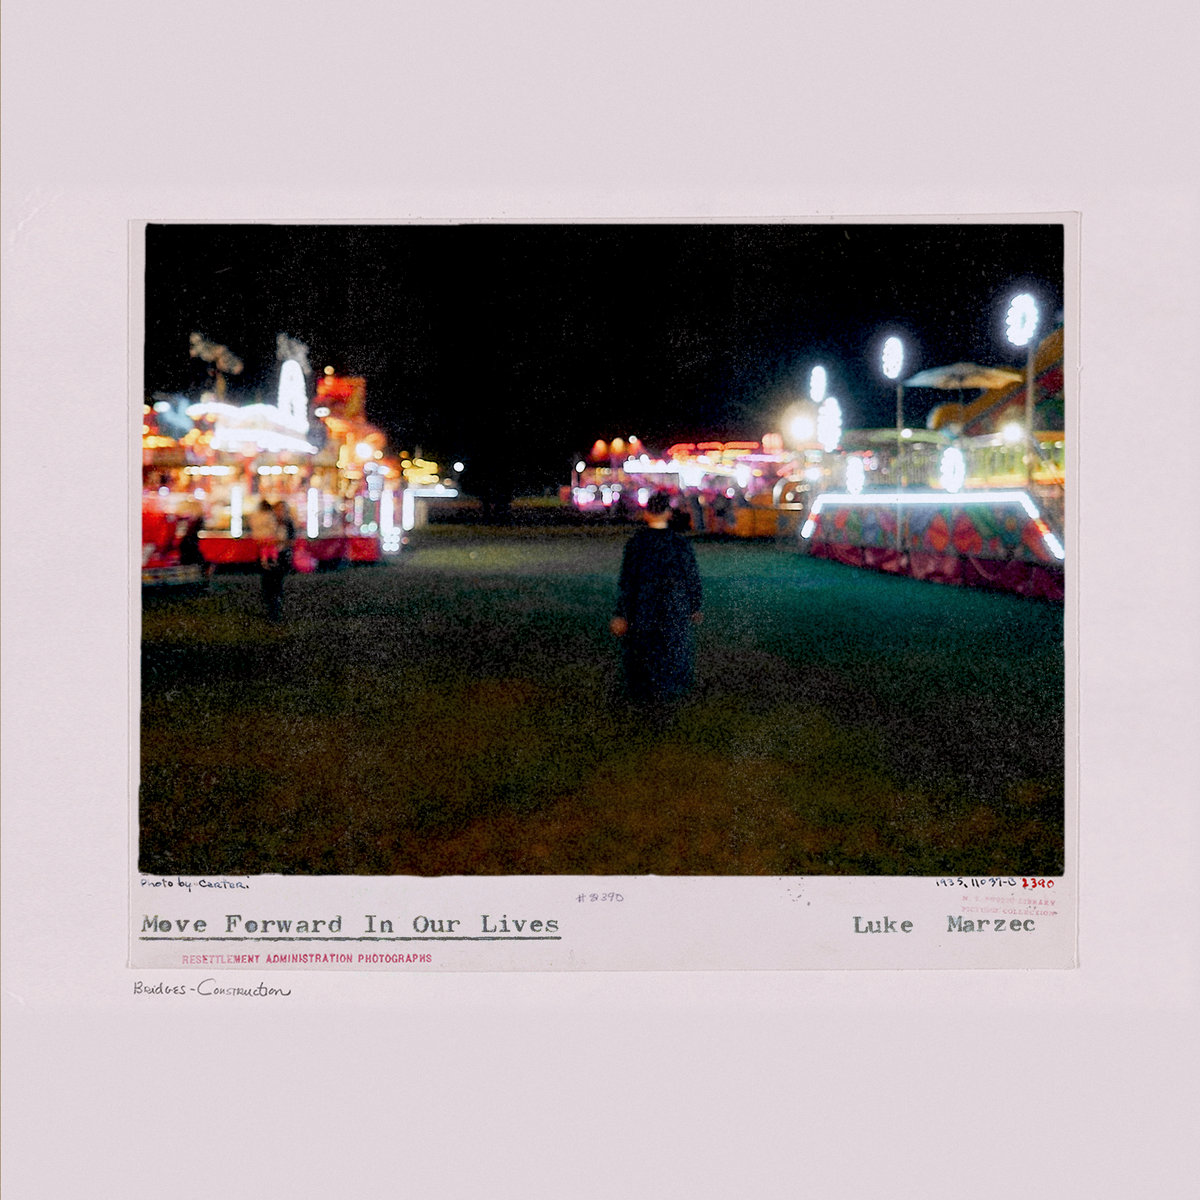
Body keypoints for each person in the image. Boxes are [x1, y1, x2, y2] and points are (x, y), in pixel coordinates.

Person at [610, 491, 703, 704]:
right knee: (673, 647)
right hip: (674, 604)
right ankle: (670, 688)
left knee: (643, 649)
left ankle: (645, 690)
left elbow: (627, 581)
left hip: (643, 605)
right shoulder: (680, 544)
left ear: (646, 514)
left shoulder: (636, 544)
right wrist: (695, 606)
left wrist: (621, 614)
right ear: (669, 513)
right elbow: (691, 577)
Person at [247, 498, 283, 619]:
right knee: (273, 580)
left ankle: (271, 604)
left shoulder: (255, 516)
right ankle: (274, 604)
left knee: (268, 578)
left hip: (261, 542)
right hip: (272, 543)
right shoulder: (272, 518)